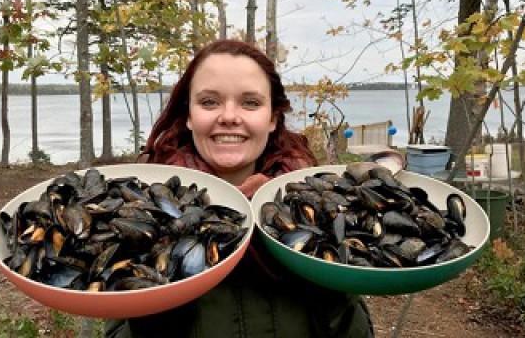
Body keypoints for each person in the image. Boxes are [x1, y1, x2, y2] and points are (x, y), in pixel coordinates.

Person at [105, 39, 373, 338]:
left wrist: (320, 272)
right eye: (209, 102)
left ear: (272, 118)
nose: (229, 116)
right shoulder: (142, 213)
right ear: (189, 117)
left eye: (250, 103)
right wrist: (157, 304)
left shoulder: (321, 212)